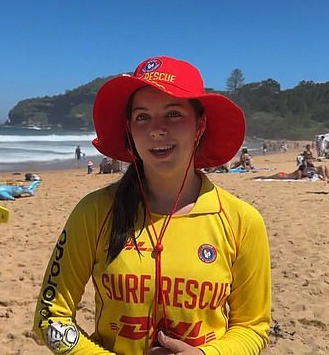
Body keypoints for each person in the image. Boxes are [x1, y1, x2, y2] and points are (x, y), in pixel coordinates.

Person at [32, 56, 271, 355]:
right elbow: (49, 318)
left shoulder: (241, 221)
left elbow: (253, 327)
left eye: (173, 114)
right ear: (130, 129)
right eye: (142, 117)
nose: (157, 130)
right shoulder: (94, 212)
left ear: (200, 125)